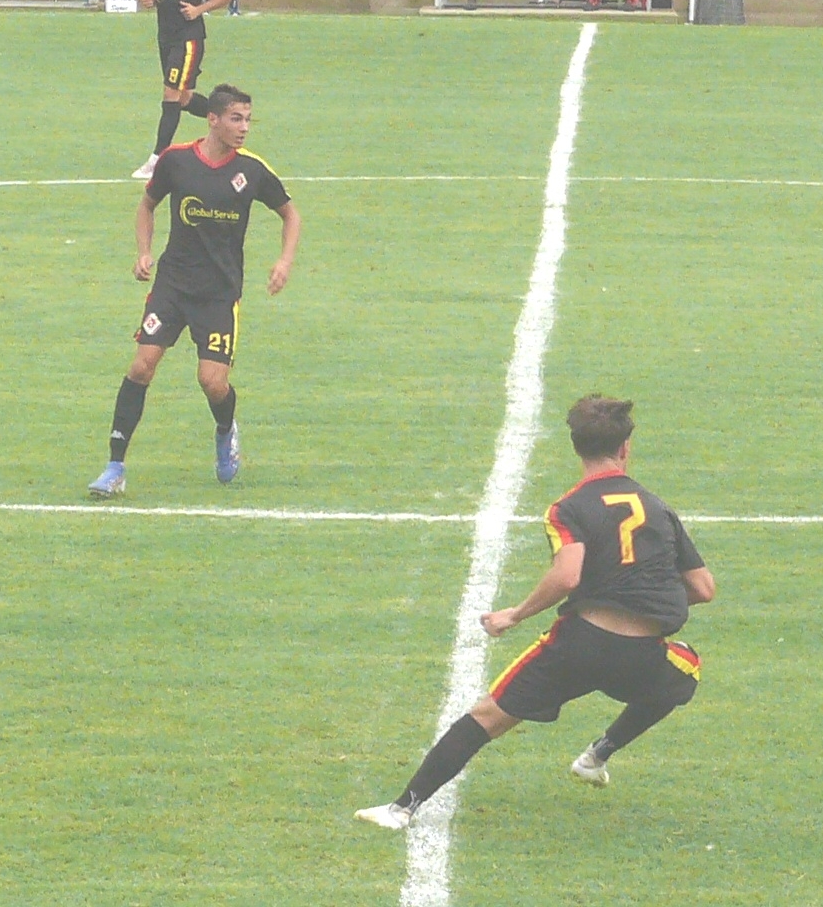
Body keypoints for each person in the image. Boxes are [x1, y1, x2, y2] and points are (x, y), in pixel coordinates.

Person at [356, 395, 713, 830]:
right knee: (686, 667)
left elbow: (567, 575)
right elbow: (703, 588)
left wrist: (515, 615)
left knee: (487, 717)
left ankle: (401, 809)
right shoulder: (658, 508)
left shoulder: (568, 508)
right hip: (642, 656)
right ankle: (597, 755)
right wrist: (646, 597)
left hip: (580, 646)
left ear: (576, 447)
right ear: (625, 448)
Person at [90, 83, 300, 498]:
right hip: (172, 286)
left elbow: (290, 214)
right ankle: (115, 467)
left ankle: (225, 428)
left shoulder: (252, 170)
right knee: (141, 366)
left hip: (219, 294)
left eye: (248, 120)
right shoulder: (177, 161)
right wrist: (144, 252)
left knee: (212, 382)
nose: (244, 128)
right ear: (213, 120)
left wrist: (284, 262)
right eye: (236, 119)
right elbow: (147, 205)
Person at [132, 0, 230, 180]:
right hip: (165, 37)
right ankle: (226, 115)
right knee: (184, 98)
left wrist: (199, 9)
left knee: (171, 94)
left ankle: (157, 159)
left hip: (189, 39)